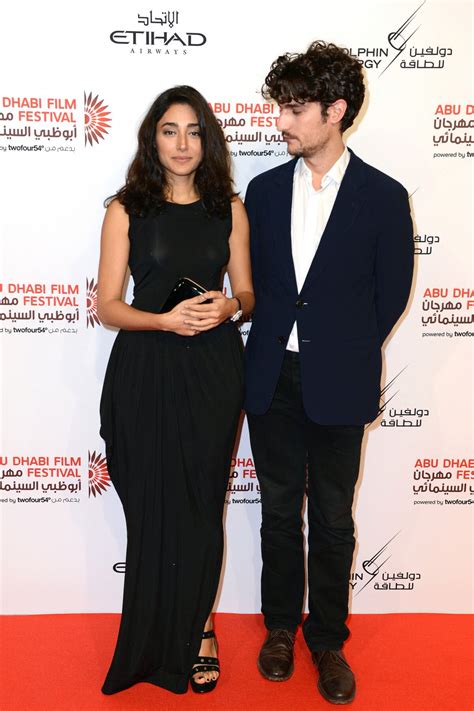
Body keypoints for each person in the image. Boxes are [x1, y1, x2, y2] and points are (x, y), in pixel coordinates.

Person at [244, 41, 413, 704]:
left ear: (335, 111)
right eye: (280, 106)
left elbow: (389, 295)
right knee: (280, 512)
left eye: (296, 108)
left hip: (339, 381)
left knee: (334, 519)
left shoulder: (382, 196)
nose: (281, 121)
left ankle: (328, 639)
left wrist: (337, 348)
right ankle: (281, 628)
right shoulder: (259, 191)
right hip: (270, 379)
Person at [97, 85, 254, 696]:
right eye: (170, 130)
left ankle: (201, 629)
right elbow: (109, 306)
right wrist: (163, 319)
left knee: (199, 505)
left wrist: (228, 308)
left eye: (193, 131)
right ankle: (152, 636)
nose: (183, 143)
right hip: (143, 371)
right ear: (152, 139)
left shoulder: (229, 210)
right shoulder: (125, 208)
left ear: (207, 139)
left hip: (212, 372)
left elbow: (248, 293)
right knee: (151, 507)